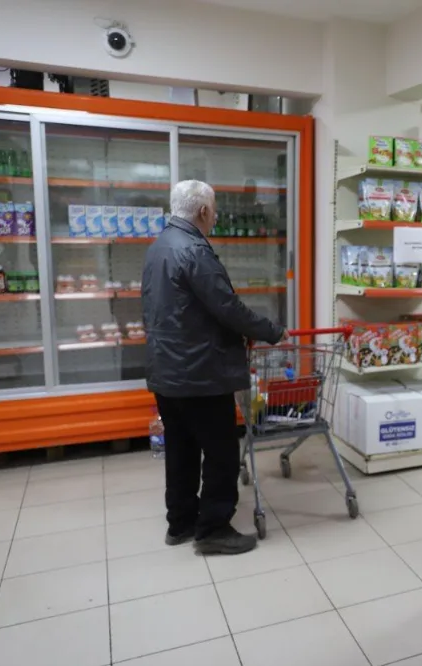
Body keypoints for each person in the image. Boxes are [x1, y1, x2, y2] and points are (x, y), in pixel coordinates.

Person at [142, 180, 285, 555]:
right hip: (200, 372)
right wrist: (271, 331)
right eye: (214, 209)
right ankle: (213, 529)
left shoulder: (159, 246)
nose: (216, 216)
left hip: (166, 369)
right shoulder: (194, 250)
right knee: (221, 453)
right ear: (204, 211)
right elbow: (228, 307)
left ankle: (181, 523)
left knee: (181, 450)